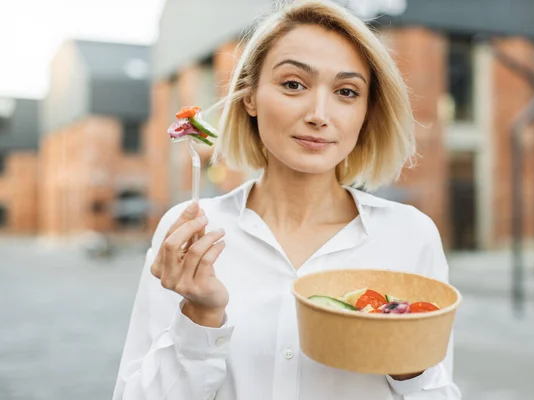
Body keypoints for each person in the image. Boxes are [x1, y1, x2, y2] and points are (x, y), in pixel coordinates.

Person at [112, 1, 462, 399]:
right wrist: (200, 317)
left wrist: (408, 365)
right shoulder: (192, 230)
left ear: (366, 112)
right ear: (250, 97)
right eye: (293, 84)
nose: (318, 114)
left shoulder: (408, 236)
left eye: (346, 92)